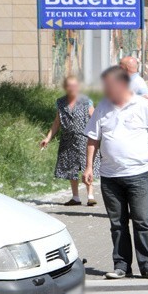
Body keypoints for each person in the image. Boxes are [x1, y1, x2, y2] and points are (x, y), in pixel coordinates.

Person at [83, 66, 148, 280]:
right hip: (110, 176)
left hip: (137, 174)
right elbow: (93, 138)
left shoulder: (143, 105)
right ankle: (121, 266)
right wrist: (88, 167)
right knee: (117, 223)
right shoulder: (103, 107)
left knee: (141, 220)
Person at [40, 76, 100, 206]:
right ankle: (76, 197)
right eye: (69, 85)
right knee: (71, 168)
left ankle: (90, 196)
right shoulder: (61, 102)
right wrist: (48, 137)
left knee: (87, 166)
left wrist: (99, 135)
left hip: (84, 139)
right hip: (68, 140)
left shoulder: (86, 101)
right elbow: (57, 122)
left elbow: (95, 118)